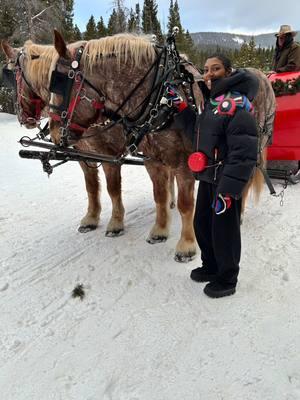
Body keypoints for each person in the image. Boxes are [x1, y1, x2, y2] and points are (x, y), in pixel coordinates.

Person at [163, 55, 259, 298]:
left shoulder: (237, 104)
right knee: (202, 224)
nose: (209, 74)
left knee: (224, 229)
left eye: (215, 69)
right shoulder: (213, 103)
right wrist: (181, 108)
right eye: (205, 69)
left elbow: (244, 153)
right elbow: (198, 131)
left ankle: (227, 278)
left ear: (229, 72)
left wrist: (229, 189)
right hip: (208, 176)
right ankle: (211, 265)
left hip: (225, 179)